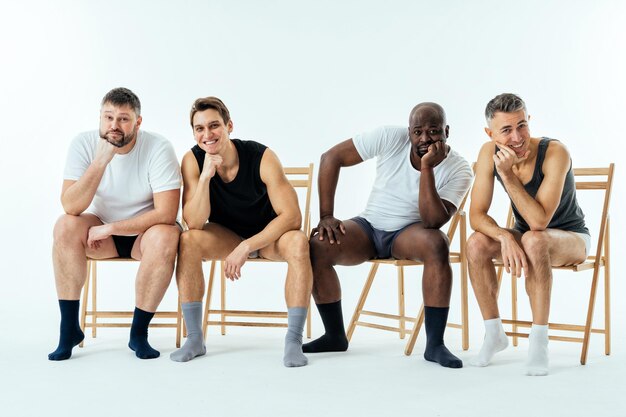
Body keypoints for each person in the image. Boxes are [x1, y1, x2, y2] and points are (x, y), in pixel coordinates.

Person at [304, 102, 473, 368]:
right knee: (317, 245)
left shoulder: (460, 168)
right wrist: (326, 215)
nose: (425, 139)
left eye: (433, 131)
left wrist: (427, 168)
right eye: (418, 132)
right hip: (369, 227)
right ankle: (335, 335)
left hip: (409, 233)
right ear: (409, 132)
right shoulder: (390, 137)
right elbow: (330, 158)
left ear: (447, 131)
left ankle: (435, 345)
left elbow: (432, 221)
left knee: (437, 243)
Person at [172, 96, 313, 367]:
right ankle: (194, 339)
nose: (207, 134)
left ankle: (293, 341)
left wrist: (247, 245)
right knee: (188, 240)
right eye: (199, 129)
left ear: (229, 126)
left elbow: (292, 217)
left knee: (298, 241)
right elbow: (196, 223)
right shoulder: (192, 160)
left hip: (270, 236)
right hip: (226, 236)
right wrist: (205, 178)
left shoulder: (261, 157)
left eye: (214, 126)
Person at [49, 87, 181, 360]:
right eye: (108, 118)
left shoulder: (158, 147)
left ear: (138, 122)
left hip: (144, 235)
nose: (114, 126)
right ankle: (69, 329)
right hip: (98, 236)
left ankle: (138, 334)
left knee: (167, 235)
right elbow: (71, 205)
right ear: (100, 118)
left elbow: (167, 213)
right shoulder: (83, 143)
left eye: (123, 119)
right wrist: (101, 161)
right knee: (65, 225)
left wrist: (112, 228)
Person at [467, 93, 590, 376]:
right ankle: (494, 333)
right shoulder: (488, 152)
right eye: (506, 130)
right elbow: (476, 216)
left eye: (522, 125)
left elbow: (538, 221)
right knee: (476, 243)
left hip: (571, 238)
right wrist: (505, 237)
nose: (517, 137)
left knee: (534, 239)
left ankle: (538, 342)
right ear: (490, 134)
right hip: (527, 236)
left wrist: (508, 176)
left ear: (529, 121)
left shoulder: (555, 152)